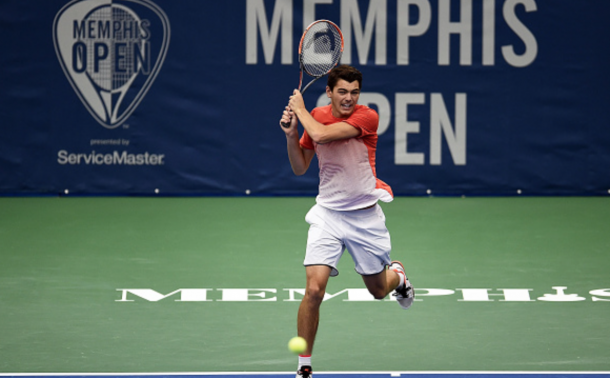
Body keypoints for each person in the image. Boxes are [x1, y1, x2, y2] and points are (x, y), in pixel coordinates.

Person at [279, 65, 414, 378]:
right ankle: (303, 366)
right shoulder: (317, 115)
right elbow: (300, 167)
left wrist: (300, 110)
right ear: (329, 92)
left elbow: (322, 134)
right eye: (342, 91)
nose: (349, 98)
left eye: (354, 92)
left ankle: (399, 276)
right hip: (328, 214)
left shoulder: (367, 117)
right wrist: (291, 135)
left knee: (378, 290)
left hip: (365, 218)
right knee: (314, 291)